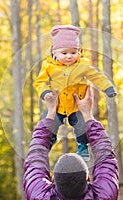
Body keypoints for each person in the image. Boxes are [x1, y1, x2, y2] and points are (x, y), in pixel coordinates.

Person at [34, 25, 117, 160]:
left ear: (79, 52)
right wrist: (45, 92)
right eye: (64, 53)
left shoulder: (82, 65)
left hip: (76, 105)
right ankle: (46, 145)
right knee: (50, 125)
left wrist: (108, 88)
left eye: (73, 53)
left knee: (81, 126)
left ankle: (83, 147)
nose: (69, 56)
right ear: (54, 53)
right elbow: (40, 82)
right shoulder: (48, 66)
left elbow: (97, 76)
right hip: (58, 105)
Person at [23, 86, 119, 200]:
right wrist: (87, 114)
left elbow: (35, 156)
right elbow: (106, 159)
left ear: (53, 179)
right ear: (88, 178)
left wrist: (51, 112)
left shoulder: (39, 195)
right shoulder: (104, 195)